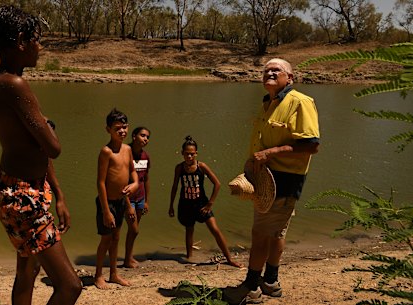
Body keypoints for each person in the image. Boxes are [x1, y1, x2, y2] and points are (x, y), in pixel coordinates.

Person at [0, 6, 81, 305]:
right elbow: (53, 147)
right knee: (70, 286)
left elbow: (38, 149)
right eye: (37, 39)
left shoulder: (3, 82)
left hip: (24, 186)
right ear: (21, 41)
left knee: (28, 270)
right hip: (21, 195)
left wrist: (59, 194)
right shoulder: (14, 85)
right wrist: (49, 127)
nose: (40, 47)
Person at [240, 58, 320, 304]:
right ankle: (271, 282)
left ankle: (251, 288)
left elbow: (311, 145)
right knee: (276, 232)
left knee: (260, 234)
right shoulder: (269, 103)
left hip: (283, 180)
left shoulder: (300, 102)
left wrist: (270, 153)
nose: (270, 73)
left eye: (277, 70)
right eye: (266, 70)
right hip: (267, 178)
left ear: (290, 78)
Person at [168, 136, 242, 267]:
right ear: (182, 153)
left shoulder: (201, 166)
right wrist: (171, 206)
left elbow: (217, 184)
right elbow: (174, 187)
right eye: (186, 154)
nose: (189, 157)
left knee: (215, 230)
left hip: (202, 203)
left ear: (196, 153)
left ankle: (229, 259)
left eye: (192, 154)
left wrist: (210, 204)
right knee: (189, 230)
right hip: (185, 204)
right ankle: (189, 257)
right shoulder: (179, 168)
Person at [95, 108, 139, 289]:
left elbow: (133, 173)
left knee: (116, 238)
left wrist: (135, 185)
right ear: (108, 130)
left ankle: (113, 274)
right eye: (117, 128)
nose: (122, 131)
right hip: (107, 203)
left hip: (122, 201)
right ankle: (98, 275)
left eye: (124, 127)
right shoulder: (106, 152)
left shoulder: (128, 149)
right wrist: (106, 211)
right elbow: (101, 183)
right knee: (106, 240)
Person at [124, 127, 151, 268]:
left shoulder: (145, 156)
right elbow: (120, 180)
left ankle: (129, 257)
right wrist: (127, 204)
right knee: (134, 230)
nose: (145, 139)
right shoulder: (125, 153)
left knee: (133, 231)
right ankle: (127, 259)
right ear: (134, 136)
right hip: (127, 199)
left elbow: (145, 179)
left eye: (147, 137)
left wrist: (146, 201)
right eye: (142, 135)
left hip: (140, 198)